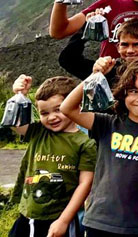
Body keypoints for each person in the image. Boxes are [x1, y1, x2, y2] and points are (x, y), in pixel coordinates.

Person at [60, 60, 138, 236]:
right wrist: (95, 76)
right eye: (133, 91)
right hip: (99, 221)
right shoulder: (107, 123)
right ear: (123, 94)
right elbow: (67, 108)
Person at [8, 75, 96, 237]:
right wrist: (20, 95)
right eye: (44, 113)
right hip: (29, 215)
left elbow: (85, 183)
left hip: (61, 218)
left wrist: (63, 221)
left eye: (58, 109)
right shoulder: (38, 131)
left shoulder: (85, 143)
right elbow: (16, 124)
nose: (52, 117)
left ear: (74, 105)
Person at [59, 18, 138, 87]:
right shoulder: (108, 71)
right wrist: (87, 28)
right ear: (118, 47)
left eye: (137, 44)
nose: (130, 51)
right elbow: (67, 59)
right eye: (125, 45)